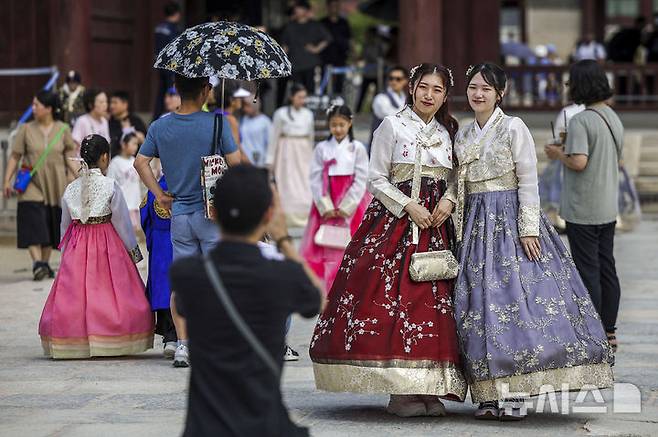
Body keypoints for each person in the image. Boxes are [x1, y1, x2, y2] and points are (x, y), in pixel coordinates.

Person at [454, 63, 614, 420]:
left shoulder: (514, 127)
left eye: (486, 89)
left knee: (518, 302)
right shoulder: (463, 135)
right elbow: (460, 186)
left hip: (511, 220)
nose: (478, 94)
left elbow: (528, 180)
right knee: (480, 307)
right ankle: (488, 394)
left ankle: (517, 392)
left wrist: (528, 228)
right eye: (473, 87)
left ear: (501, 94)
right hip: (476, 226)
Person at [310, 64, 467, 417]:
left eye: (437, 90)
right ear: (411, 88)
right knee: (393, 301)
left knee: (433, 304)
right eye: (423, 87)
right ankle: (399, 392)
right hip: (395, 224)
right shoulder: (391, 126)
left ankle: (429, 388)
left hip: (435, 227)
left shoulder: (447, 131)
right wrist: (408, 205)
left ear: (445, 95)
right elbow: (376, 178)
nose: (429, 95)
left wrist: (449, 200)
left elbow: (458, 177)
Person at [169, 165, 323, 436]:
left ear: (214, 212)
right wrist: (284, 239)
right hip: (264, 425)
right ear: (268, 215)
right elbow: (316, 300)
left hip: (205, 428)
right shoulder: (281, 275)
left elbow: (182, 305)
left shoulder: (189, 274)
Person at [135, 74, 241, 368]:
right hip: (212, 216)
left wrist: (160, 194)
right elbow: (237, 164)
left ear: (178, 91)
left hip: (178, 214)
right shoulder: (217, 123)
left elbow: (140, 162)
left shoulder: (160, 126)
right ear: (207, 90)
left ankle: (183, 345)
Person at [38, 134, 153, 359]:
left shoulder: (71, 188)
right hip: (107, 243)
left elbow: (64, 226)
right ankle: (111, 335)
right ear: (104, 157)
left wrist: (65, 254)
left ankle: (74, 339)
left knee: (77, 292)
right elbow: (121, 222)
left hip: (77, 244)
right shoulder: (110, 185)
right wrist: (134, 252)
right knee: (109, 289)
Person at [544, 59, 626, 353]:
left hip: (583, 207)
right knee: (607, 267)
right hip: (606, 204)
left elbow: (579, 162)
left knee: (587, 269)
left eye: (570, 82)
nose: (568, 87)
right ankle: (610, 331)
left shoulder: (580, 120)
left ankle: (592, 333)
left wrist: (557, 153)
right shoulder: (612, 116)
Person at [3, 91, 78, 280]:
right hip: (31, 182)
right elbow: (15, 156)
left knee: (50, 222)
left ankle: (43, 265)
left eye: (37, 105)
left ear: (49, 108)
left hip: (55, 182)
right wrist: (6, 180)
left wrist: (81, 176)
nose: (33, 108)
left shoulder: (63, 129)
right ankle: (37, 263)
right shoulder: (26, 129)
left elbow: (69, 156)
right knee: (33, 221)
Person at [300, 105, 370, 289]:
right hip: (327, 198)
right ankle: (329, 284)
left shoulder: (357, 148)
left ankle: (352, 282)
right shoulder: (322, 148)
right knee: (328, 244)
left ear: (350, 124)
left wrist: (348, 205)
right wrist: (325, 206)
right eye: (333, 125)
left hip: (351, 202)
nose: (338, 129)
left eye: (341, 124)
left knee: (353, 242)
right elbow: (315, 177)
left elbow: (362, 177)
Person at [266, 84, 315, 228]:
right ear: (291, 97)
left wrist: (312, 157)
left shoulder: (308, 114)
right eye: (299, 97)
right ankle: (285, 217)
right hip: (286, 151)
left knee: (304, 182)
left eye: (304, 97)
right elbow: (274, 137)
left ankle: (305, 216)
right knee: (287, 182)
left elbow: (311, 137)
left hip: (303, 151)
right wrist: (270, 160)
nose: (302, 100)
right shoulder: (280, 114)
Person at [141, 175, 177, 358]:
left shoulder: (154, 189)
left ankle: (168, 338)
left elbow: (145, 218)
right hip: (182, 244)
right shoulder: (188, 186)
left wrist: (151, 243)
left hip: (160, 248)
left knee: (163, 289)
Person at [281, 1, 332, 93]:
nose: (296, 10)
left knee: (310, 90)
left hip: (310, 64)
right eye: (296, 8)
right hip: (294, 64)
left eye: (299, 8)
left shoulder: (315, 25)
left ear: (306, 10)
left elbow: (328, 38)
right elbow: (285, 45)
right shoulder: (290, 26)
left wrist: (316, 49)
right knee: (297, 90)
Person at [152, 1, 182, 120]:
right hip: (171, 66)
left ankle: (156, 117)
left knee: (161, 92)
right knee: (172, 91)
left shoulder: (159, 27)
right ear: (177, 14)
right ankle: (172, 115)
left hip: (160, 64)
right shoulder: (173, 30)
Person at [107, 132, 142, 231]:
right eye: (133, 143)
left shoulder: (135, 161)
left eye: (137, 144)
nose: (136, 147)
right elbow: (110, 184)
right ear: (123, 144)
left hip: (135, 204)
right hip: (123, 205)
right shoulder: (115, 163)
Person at [370, 65, 409, 147]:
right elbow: (393, 116)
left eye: (398, 79)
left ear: (405, 81)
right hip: (381, 145)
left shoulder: (406, 99)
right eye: (391, 78)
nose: (394, 81)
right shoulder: (380, 98)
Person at [320, 0, 351, 94]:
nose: (334, 8)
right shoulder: (322, 23)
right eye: (332, 6)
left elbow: (350, 40)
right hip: (325, 58)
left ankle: (338, 104)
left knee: (339, 85)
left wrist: (353, 54)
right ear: (328, 7)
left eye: (336, 6)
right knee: (325, 84)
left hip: (341, 58)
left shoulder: (344, 22)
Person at [108, 91, 147, 156]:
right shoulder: (108, 122)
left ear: (125, 104)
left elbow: (144, 141)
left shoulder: (135, 121)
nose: (111, 106)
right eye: (111, 103)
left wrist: (129, 130)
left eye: (115, 103)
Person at [240, 94, 272, 167]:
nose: (245, 109)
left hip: (260, 161)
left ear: (255, 105)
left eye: (248, 106)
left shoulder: (265, 121)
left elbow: (270, 143)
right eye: (244, 106)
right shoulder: (243, 120)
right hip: (244, 160)